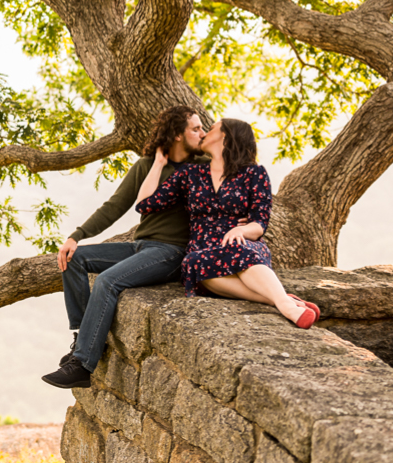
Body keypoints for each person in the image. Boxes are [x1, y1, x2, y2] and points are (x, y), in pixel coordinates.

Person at [41, 106, 207, 390]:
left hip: (173, 253)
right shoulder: (146, 166)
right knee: (75, 259)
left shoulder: (204, 168)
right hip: (141, 245)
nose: (202, 133)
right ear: (178, 135)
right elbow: (116, 206)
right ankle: (84, 338)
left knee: (108, 281)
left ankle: (82, 364)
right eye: (196, 128)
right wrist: (76, 236)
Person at [134, 118, 318, 328]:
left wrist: (242, 230)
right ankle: (280, 299)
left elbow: (260, 223)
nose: (203, 134)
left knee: (239, 250)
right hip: (204, 249)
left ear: (226, 136)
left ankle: (286, 304)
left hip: (243, 243)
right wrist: (158, 163)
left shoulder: (254, 173)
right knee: (195, 263)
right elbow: (144, 205)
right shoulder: (190, 174)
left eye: (210, 129)